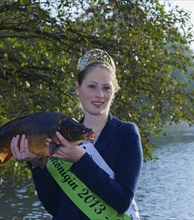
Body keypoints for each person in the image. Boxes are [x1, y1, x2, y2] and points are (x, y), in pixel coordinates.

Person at [10, 48, 143, 220]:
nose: (100, 95)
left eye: (106, 87)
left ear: (115, 91)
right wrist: (36, 164)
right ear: (78, 89)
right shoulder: (61, 134)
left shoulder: (126, 133)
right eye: (92, 86)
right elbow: (54, 207)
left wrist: (81, 161)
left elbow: (122, 201)